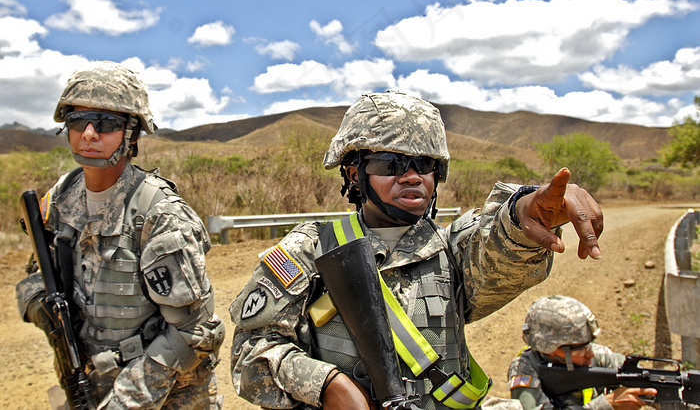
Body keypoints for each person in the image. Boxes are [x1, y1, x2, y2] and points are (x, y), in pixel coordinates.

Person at [229, 91, 604, 410]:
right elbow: (250, 351)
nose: (412, 176)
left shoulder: (451, 248)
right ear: (354, 174)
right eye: (390, 163)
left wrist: (525, 212)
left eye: (424, 164)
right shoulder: (312, 249)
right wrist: (325, 384)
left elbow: (497, 244)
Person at [15, 61, 225, 409]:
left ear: (132, 133)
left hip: (168, 397)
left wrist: (123, 403)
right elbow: (36, 273)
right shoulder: (61, 198)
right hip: (87, 386)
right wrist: (45, 309)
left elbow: (194, 332)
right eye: (77, 122)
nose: (89, 134)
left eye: (106, 123)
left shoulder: (159, 214)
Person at [508, 295, 655, 410]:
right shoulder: (525, 370)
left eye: (588, 345)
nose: (590, 353)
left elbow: (644, 379)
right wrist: (605, 405)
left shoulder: (597, 356)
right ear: (552, 349)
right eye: (580, 348)